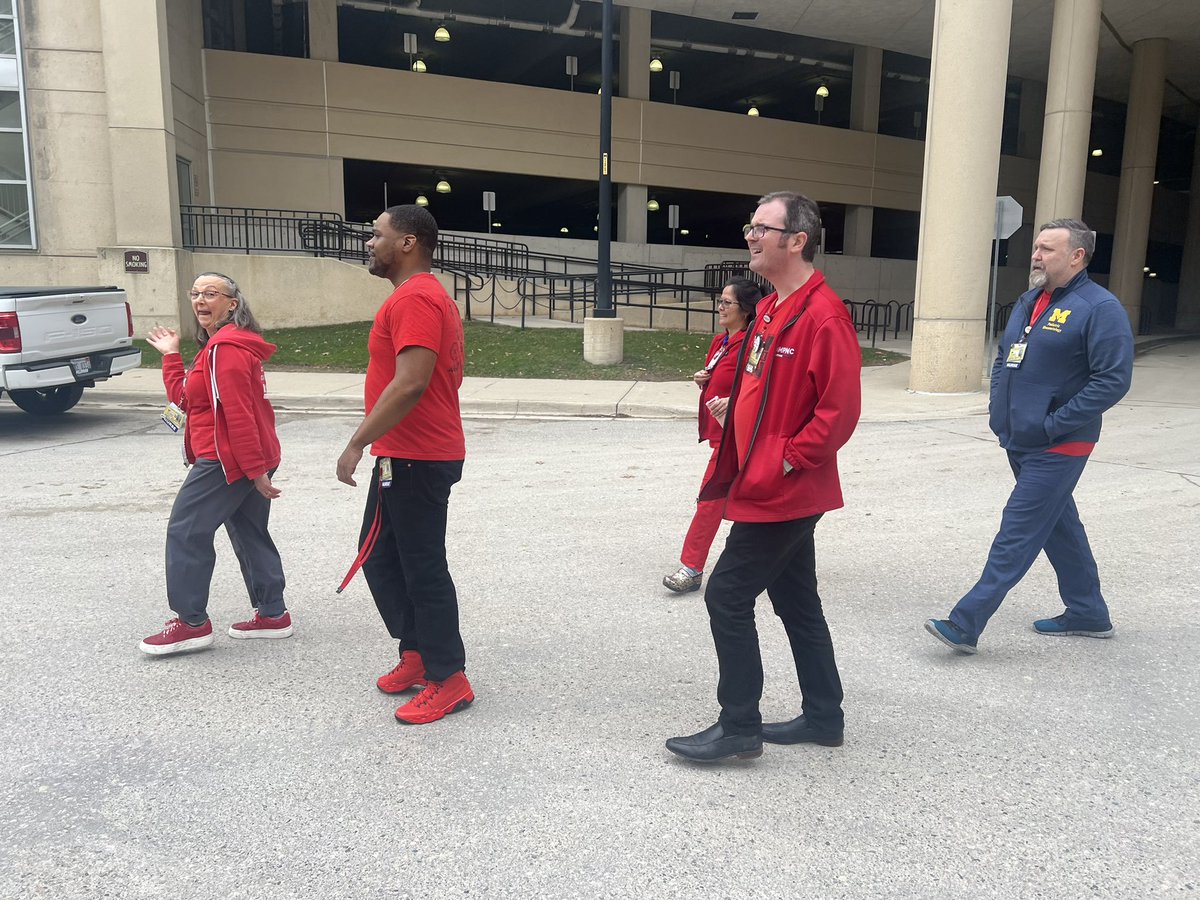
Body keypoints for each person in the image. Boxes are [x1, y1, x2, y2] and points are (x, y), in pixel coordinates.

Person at [666, 191, 862, 763]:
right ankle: (824, 717)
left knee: (726, 595)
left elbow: (839, 410)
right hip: (762, 479)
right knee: (797, 602)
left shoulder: (823, 314)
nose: (750, 236)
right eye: (749, 227)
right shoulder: (774, 306)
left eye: (761, 228)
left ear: (796, 241)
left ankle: (739, 727)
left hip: (786, 487)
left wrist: (786, 457)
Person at [925, 218, 1134, 655]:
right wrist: (998, 409)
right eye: (1036, 248)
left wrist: (1053, 423)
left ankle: (966, 622)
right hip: (1020, 436)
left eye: (1047, 249)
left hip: (1061, 442)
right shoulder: (1029, 300)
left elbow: (1112, 380)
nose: (1036, 256)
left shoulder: (1100, 308)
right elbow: (1004, 357)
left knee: (1017, 529)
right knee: (1059, 525)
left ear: (1077, 256)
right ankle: (1088, 611)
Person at [336, 204, 472, 726]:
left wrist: (356, 442)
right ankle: (415, 653)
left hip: (417, 457)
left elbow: (413, 381)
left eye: (378, 235)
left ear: (408, 242)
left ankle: (449, 677)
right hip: (402, 454)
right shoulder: (419, 296)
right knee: (381, 557)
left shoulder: (417, 298)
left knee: (423, 569)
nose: (370, 243)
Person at [139, 273, 289, 655]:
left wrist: (255, 471)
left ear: (232, 304)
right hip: (243, 455)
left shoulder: (227, 349)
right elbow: (187, 400)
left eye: (210, 293)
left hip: (227, 458)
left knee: (186, 530)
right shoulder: (217, 347)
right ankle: (272, 614)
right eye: (195, 293)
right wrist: (172, 355)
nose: (200, 300)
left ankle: (191, 623)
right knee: (248, 530)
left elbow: (238, 414)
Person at [663, 277, 763, 594]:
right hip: (722, 435)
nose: (719, 307)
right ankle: (779, 561)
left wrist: (735, 402)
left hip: (739, 439)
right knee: (754, 504)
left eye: (726, 303)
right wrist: (702, 379)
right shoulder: (721, 342)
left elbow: (761, 387)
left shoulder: (752, 344)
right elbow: (721, 379)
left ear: (745, 310)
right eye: (719, 301)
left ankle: (692, 569)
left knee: (711, 499)